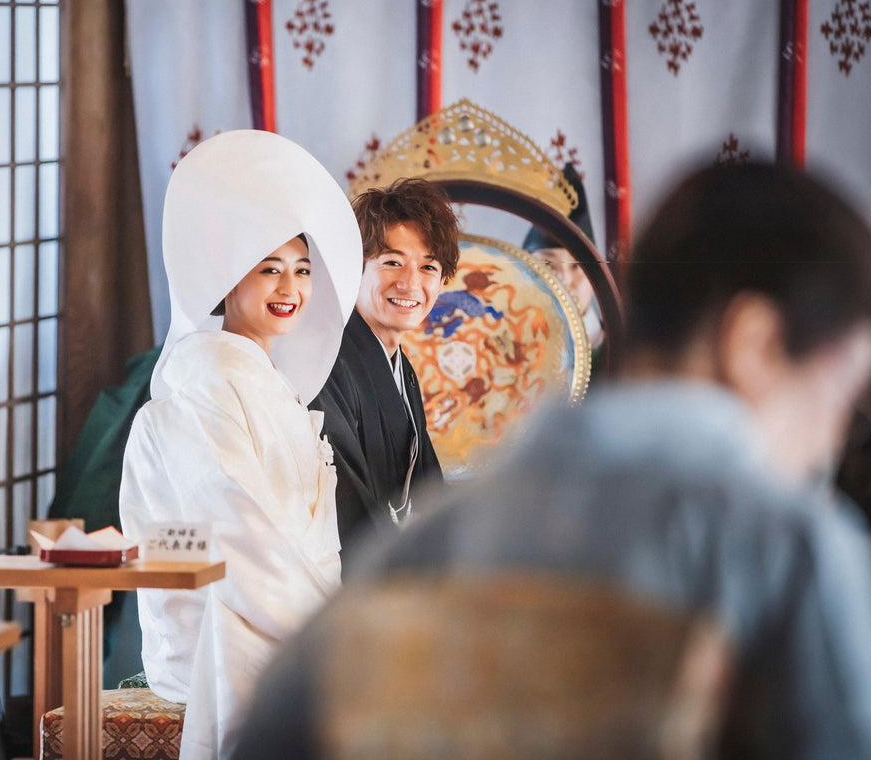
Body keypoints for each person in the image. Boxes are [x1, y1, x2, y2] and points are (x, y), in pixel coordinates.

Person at [233, 161, 871, 760]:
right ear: (754, 341)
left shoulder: (440, 539)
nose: (832, 438)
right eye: (843, 392)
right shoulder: (793, 546)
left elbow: (277, 732)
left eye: (429, 266)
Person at [119, 129, 361, 760]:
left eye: (302, 269)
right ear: (227, 281)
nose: (290, 288)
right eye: (269, 269)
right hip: (218, 632)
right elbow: (237, 534)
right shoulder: (207, 383)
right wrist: (335, 633)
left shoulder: (264, 382)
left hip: (281, 613)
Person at [309, 177, 459, 561]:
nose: (410, 283)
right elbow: (344, 504)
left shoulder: (400, 368)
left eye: (428, 267)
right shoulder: (327, 362)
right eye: (391, 262)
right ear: (353, 269)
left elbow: (427, 490)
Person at [522, 162, 603, 350]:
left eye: (577, 266)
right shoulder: (500, 349)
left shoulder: (621, 355)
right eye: (548, 263)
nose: (564, 280)